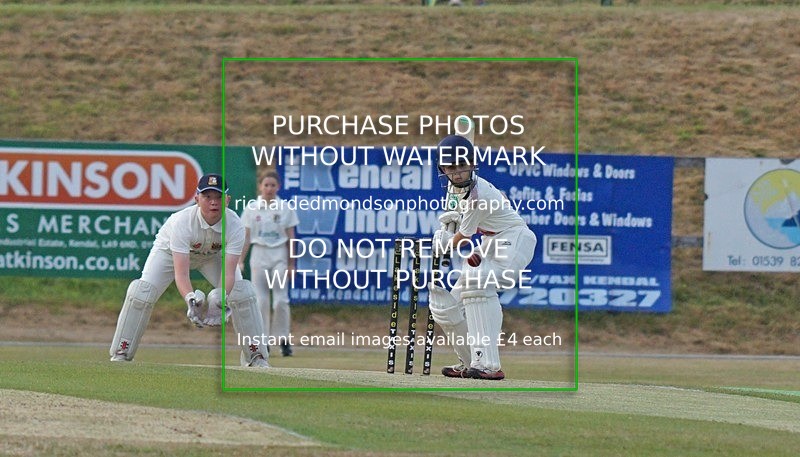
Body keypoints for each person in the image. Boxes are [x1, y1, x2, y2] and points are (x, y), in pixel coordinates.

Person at [109, 173, 270, 368]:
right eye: (207, 197)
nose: (213, 202)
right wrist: (191, 300)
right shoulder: (182, 222)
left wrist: (220, 298)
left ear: (227, 200)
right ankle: (122, 351)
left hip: (213, 256)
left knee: (242, 292)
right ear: (197, 199)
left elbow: (229, 273)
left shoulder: (235, 225)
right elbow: (182, 273)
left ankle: (256, 356)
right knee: (141, 292)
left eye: (218, 197)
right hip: (168, 253)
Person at [429, 135, 537, 380]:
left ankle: (489, 364)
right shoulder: (455, 189)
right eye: (451, 168)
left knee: (478, 281)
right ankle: (470, 361)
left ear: (472, 164)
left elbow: (463, 239)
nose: (457, 173)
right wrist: (451, 224)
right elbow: (461, 220)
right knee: (448, 307)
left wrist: (445, 243)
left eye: (461, 166)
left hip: (514, 240)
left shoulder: (479, 196)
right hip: (491, 242)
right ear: (442, 169)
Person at [239, 170, 299, 357]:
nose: (269, 188)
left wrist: (291, 264)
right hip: (259, 253)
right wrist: (240, 260)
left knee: (280, 300)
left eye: (273, 185)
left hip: (279, 253)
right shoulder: (252, 208)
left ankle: (283, 340)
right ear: (260, 186)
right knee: (261, 300)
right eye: (266, 185)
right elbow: (246, 237)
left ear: (278, 187)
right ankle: (262, 340)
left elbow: (291, 237)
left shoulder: (285, 208)